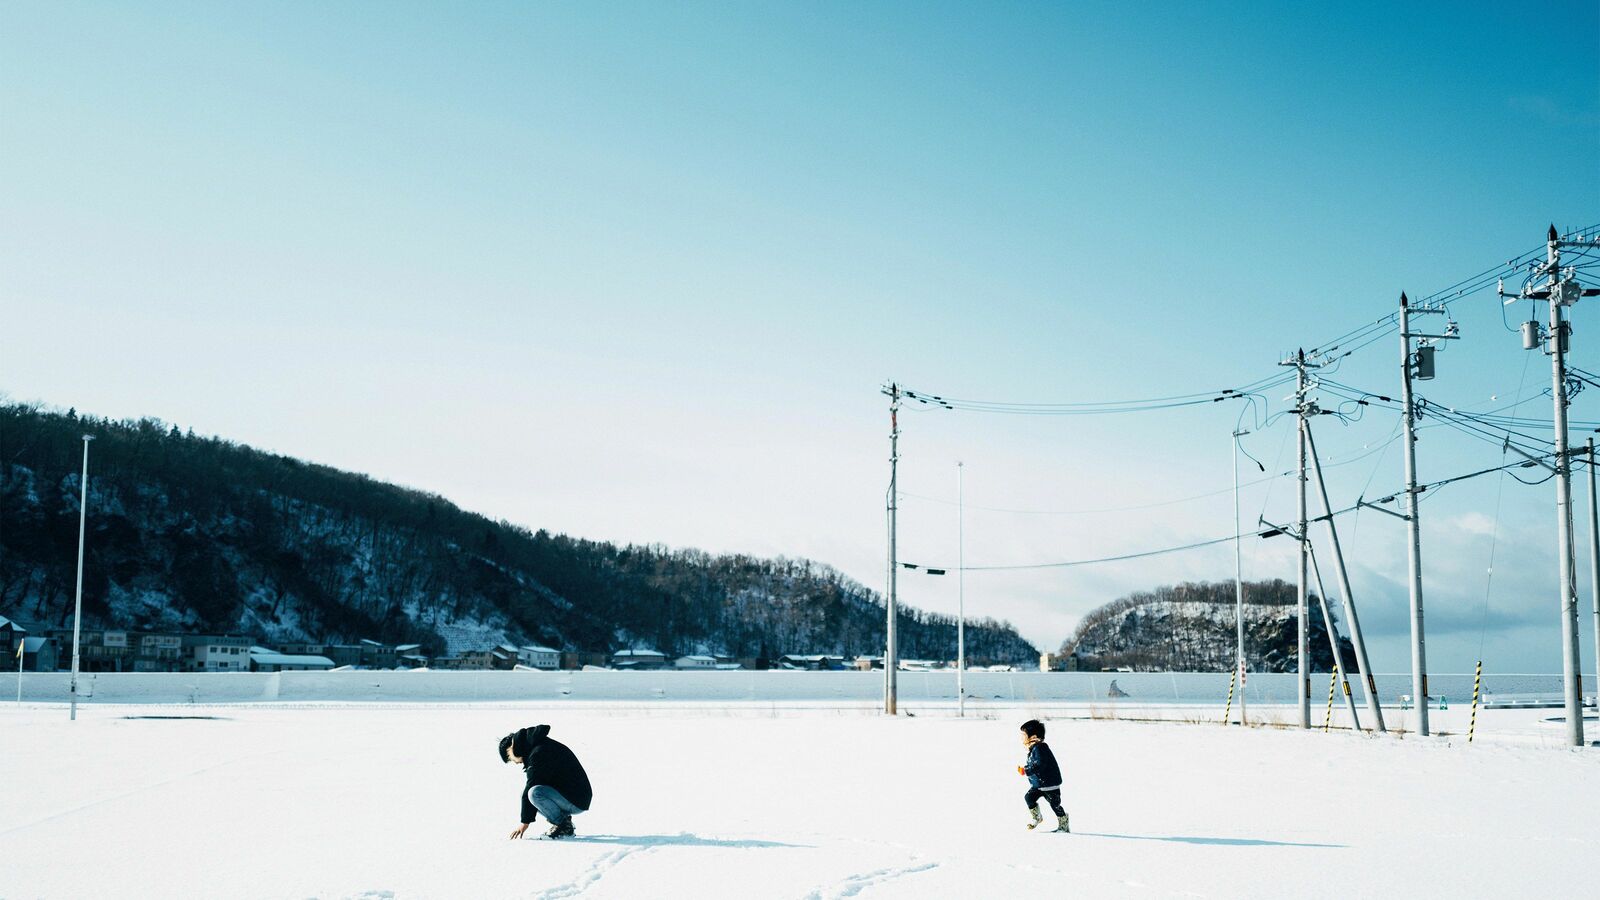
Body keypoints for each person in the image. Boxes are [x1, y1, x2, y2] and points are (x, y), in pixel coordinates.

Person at [499, 724, 593, 839]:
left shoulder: (538, 752)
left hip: (576, 799)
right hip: (575, 796)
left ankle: (563, 826)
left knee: (534, 793)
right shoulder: (539, 746)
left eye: (510, 759)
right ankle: (564, 823)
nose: (515, 762)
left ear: (511, 749)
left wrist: (525, 823)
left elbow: (531, 786)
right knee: (531, 794)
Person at [1017, 719, 1068, 832]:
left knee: (1055, 805)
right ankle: (1037, 817)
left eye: (1024, 735)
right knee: (1029, 798)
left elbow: (1040, 764)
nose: (1021, 738)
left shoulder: (1040, 748)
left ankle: (1063, 823)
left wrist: (1026, 770)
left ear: (1033, 736)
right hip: (1039, 784)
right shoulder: (1034, 748)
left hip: (1050, 784)